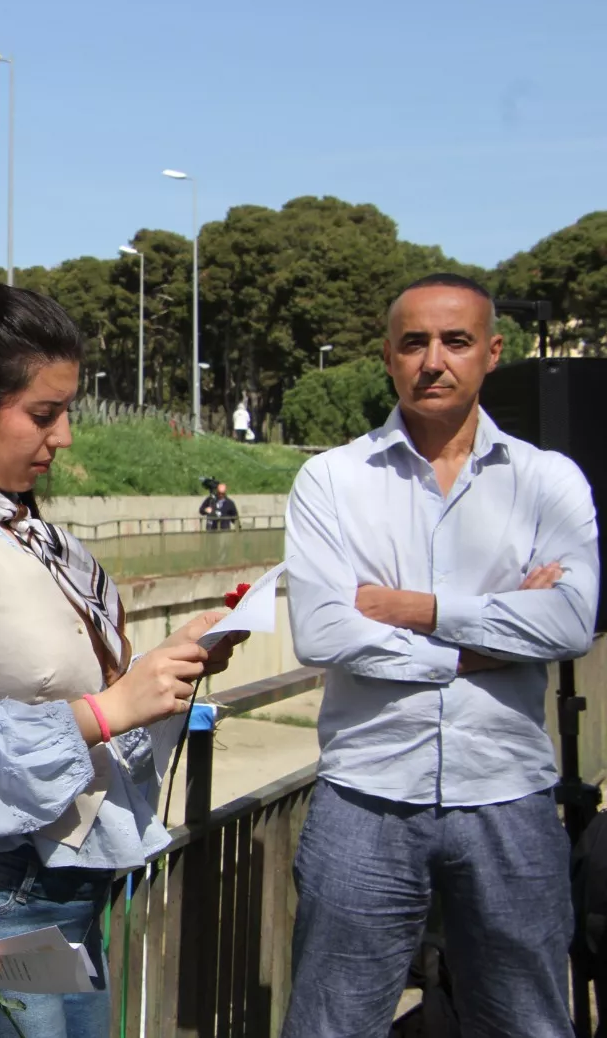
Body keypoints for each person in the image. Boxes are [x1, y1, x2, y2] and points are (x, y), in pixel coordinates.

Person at [0, 284, 244, 1037]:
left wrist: (170, 664)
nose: (63, 437)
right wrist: (107, 712)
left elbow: (77, 681)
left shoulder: (24, 527)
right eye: (43, 413)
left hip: (64, 881)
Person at [281, 273, 600, 1038]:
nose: (434, 360)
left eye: (455, 341)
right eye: (414, 342)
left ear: (492, 353)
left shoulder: (548, 480)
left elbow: (569, 624)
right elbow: (323, 632)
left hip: (509, 795)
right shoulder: (331, 479)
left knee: (528, 1021)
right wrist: (480, 646)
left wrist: (416, 611)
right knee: (332, 1023)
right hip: (365, 793)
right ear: (387, 357)